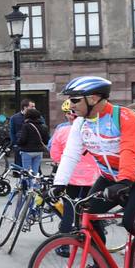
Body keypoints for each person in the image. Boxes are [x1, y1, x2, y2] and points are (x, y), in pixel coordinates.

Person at [52, 76, 135, 268]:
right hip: (110, 177)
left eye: (75, 100)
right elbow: (71, 155)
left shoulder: (125, 117)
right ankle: (101, 266)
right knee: (86, 213)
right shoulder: (80, 124)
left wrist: (125, 180)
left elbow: (129, 150)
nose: (71, 105)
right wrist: (59, 184)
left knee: (133, 222)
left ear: (93, 98)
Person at [50, 99, 99, 239]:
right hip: (93, 178)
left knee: (69, 210)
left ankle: (65, 243)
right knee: (91, 211)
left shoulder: (62, 131)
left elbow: (55, 154)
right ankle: (93, 241)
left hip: (71, 177)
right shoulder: (94, 129)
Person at [16, 108, 48, 173]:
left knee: (27, 172)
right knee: (35, 172)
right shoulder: (43, 126)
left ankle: (28, 183)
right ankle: (34, 183)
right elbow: (46, 141)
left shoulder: (26, 126)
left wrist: (18, 142)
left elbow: (23, 140)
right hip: (39, 151)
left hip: (27, 151)